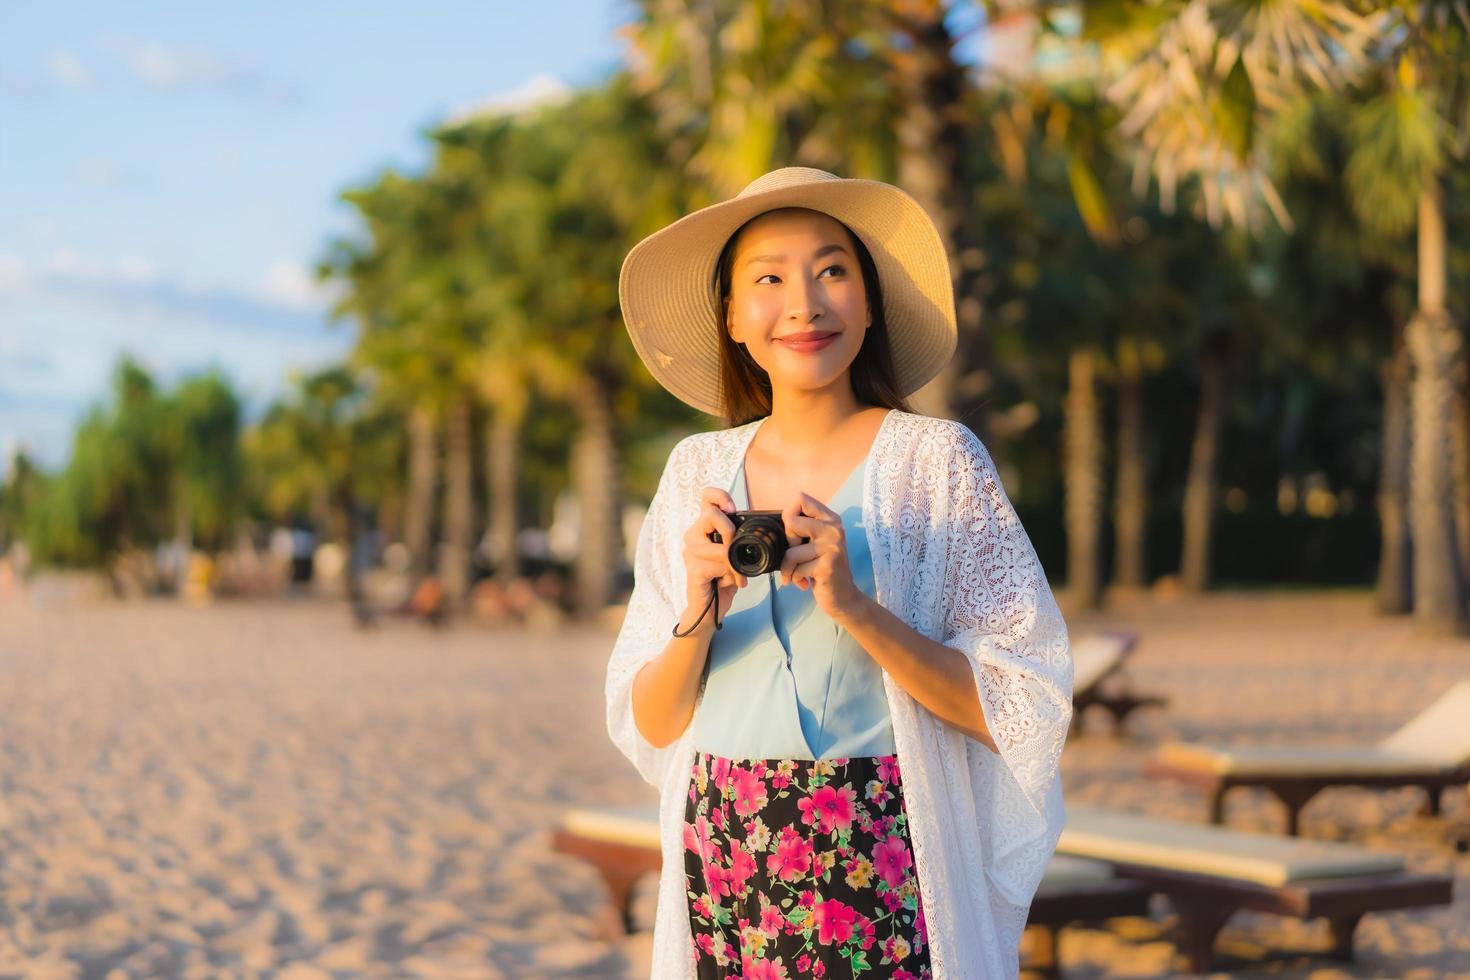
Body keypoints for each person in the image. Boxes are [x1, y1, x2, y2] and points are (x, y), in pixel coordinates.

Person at [607, 167, 1073, 979]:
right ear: (732, 316)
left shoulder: (938, 461)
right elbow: (652, 720)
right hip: (725, 848)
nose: (804, 302)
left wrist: (854, 605)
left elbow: (1018, 705)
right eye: (769, 278)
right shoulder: (696, 471)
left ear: (869, 302)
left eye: (832, 271)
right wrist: (699, 612)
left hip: (884, 841)